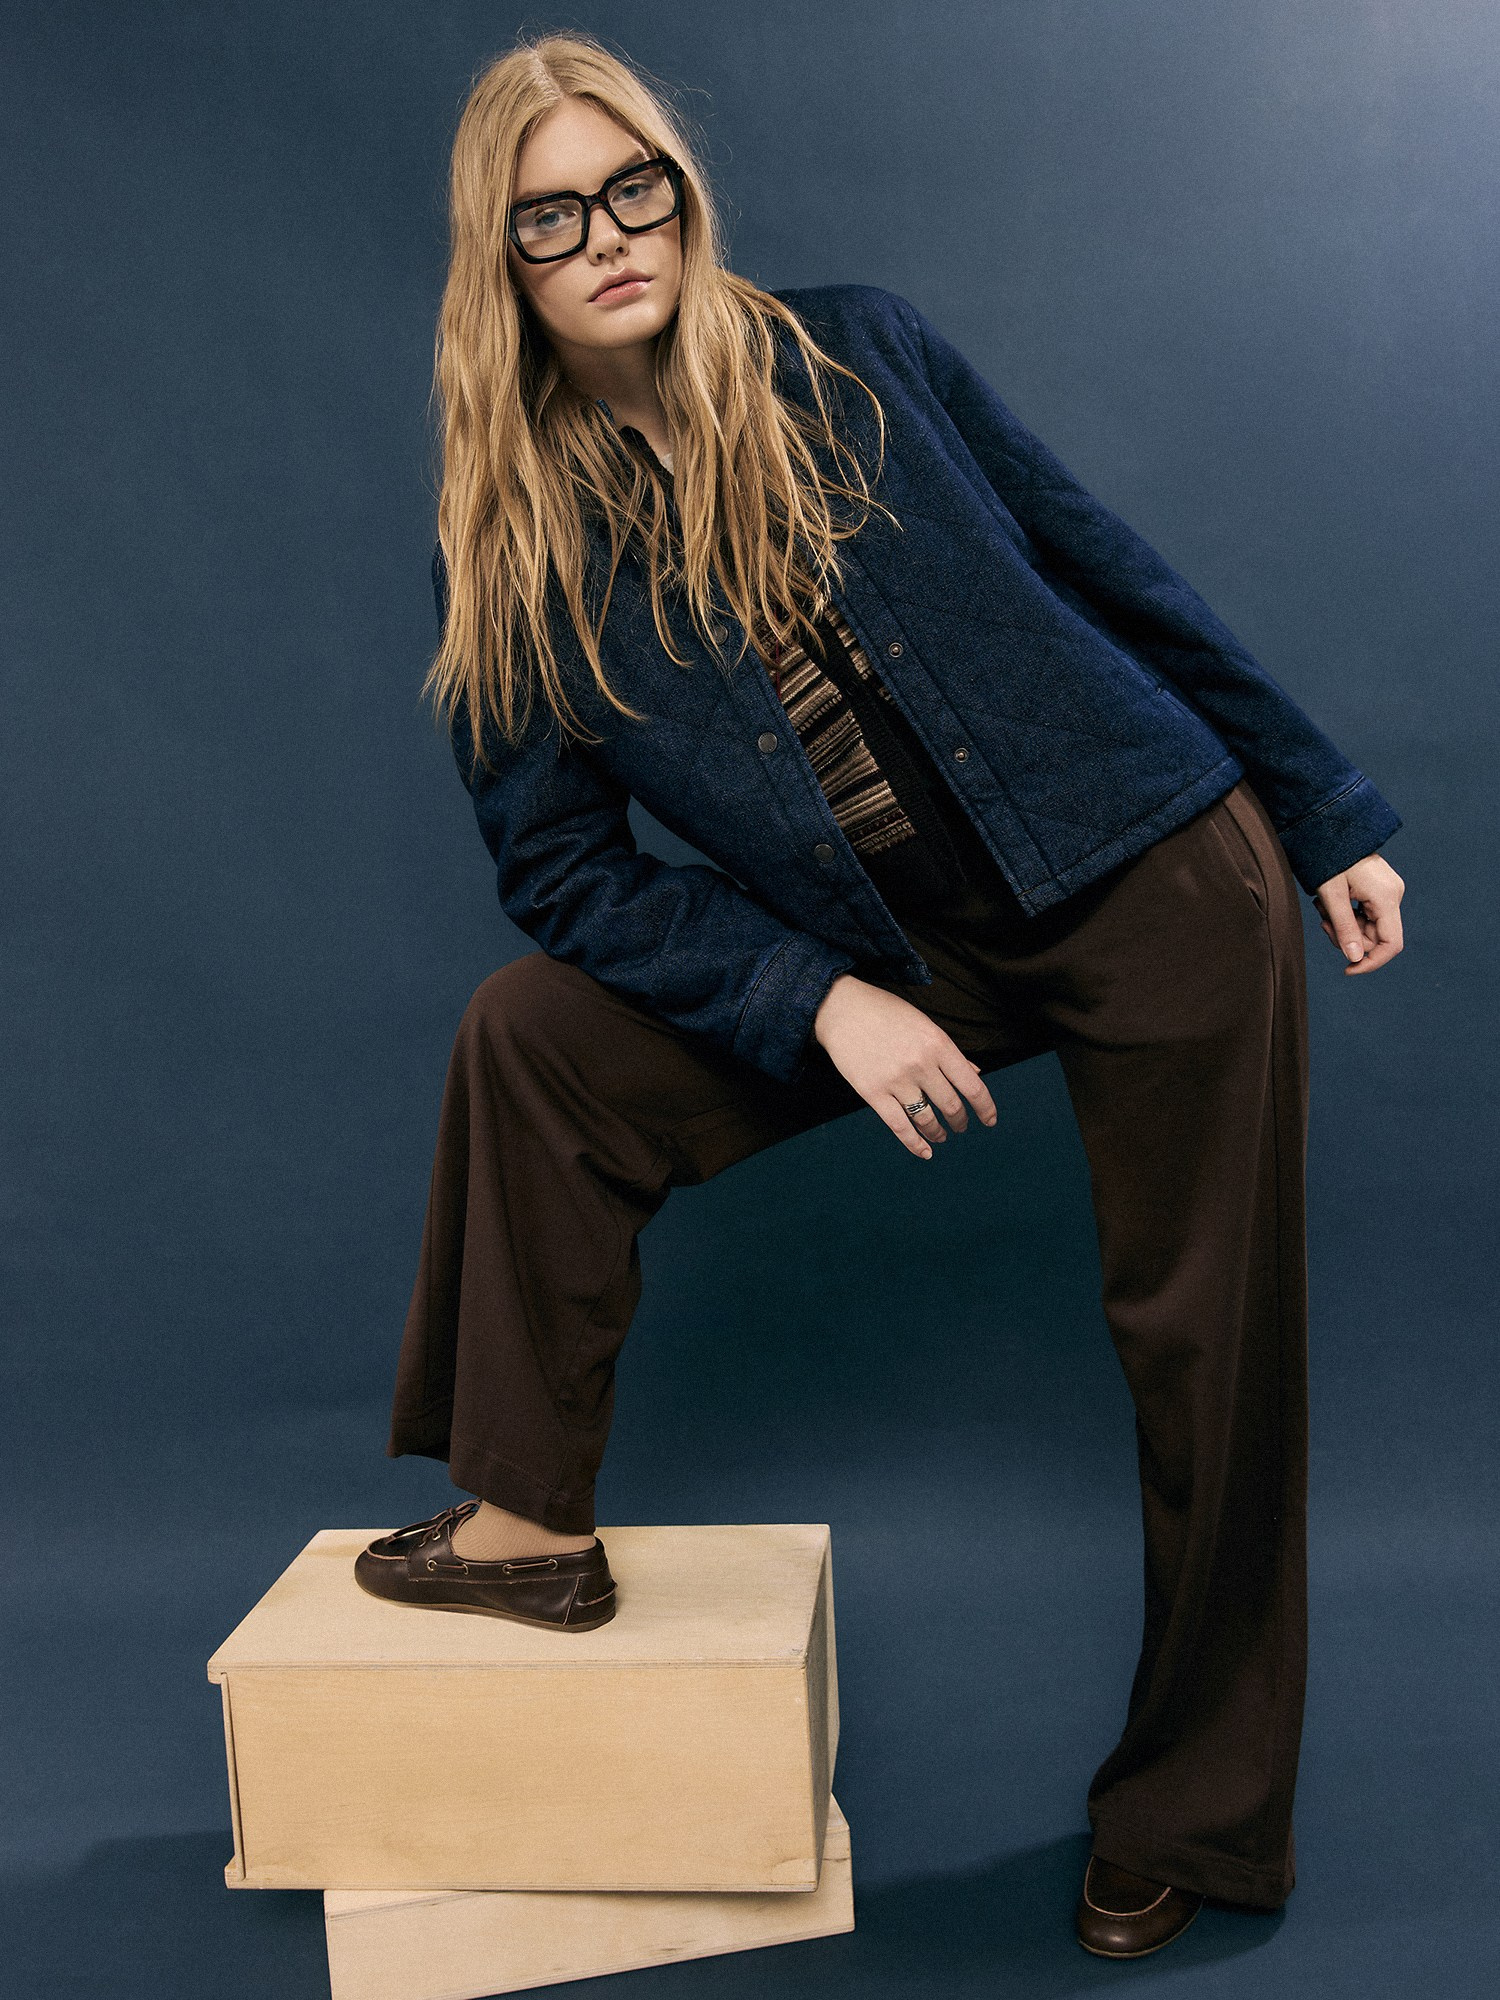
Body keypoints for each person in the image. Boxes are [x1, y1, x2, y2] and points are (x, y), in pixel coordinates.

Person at [352, 31, 1406, 1959]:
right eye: (551, 218)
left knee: (1208, 1358)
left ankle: (1195, 1816)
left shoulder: (855, 355)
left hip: (1157, 877)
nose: (608, 238)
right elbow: (563, 875)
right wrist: (817, 998)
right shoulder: (507, 550)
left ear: (681, 193)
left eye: (633, 188)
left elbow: (1109, 570)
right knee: (531, 1037)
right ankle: (522, 1529)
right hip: (899, 952)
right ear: (499, 265)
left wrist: (1322, 802)